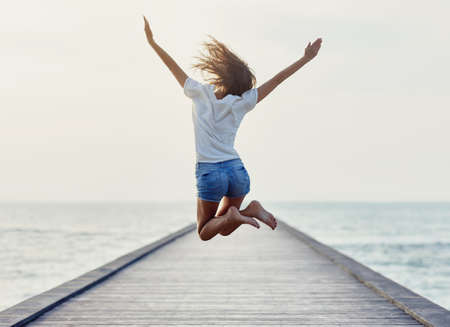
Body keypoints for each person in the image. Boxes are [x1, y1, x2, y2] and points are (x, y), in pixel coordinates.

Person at [143, 16, 322, 241]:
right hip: (236, 171)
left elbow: (173, 67)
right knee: (224, 227)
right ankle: (249, 211)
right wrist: (305, 59)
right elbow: (277, 80)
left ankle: (238, 215)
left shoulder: (199, 93)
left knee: (205, 231)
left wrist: (153, 43)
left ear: (221, 74)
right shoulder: (242, 102)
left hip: (210, 171)